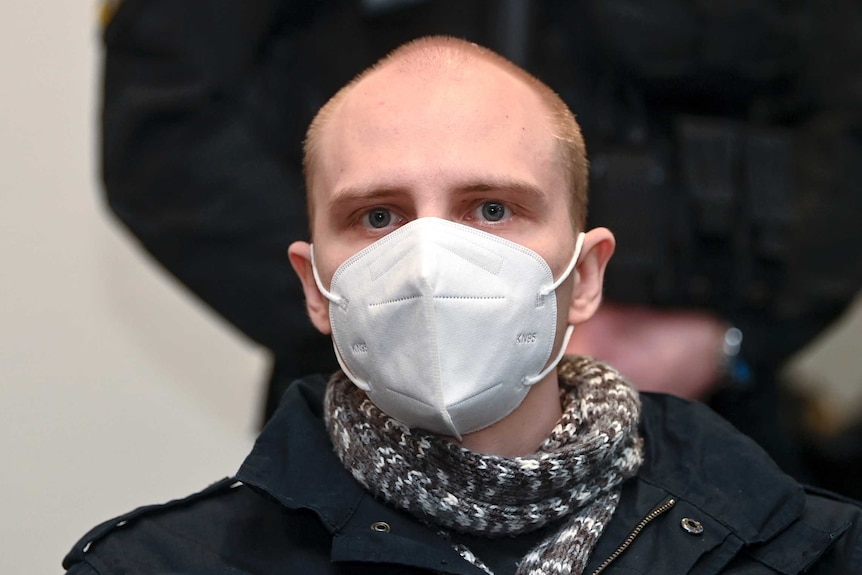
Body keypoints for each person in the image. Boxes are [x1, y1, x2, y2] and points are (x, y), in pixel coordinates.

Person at [66, 36, 860, 575]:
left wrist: (732, 329)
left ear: (583, 276)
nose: (429, 262)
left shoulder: (800, 548)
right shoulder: (161, 565)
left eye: (491, 209)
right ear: (316, 287)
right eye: (378, 217)